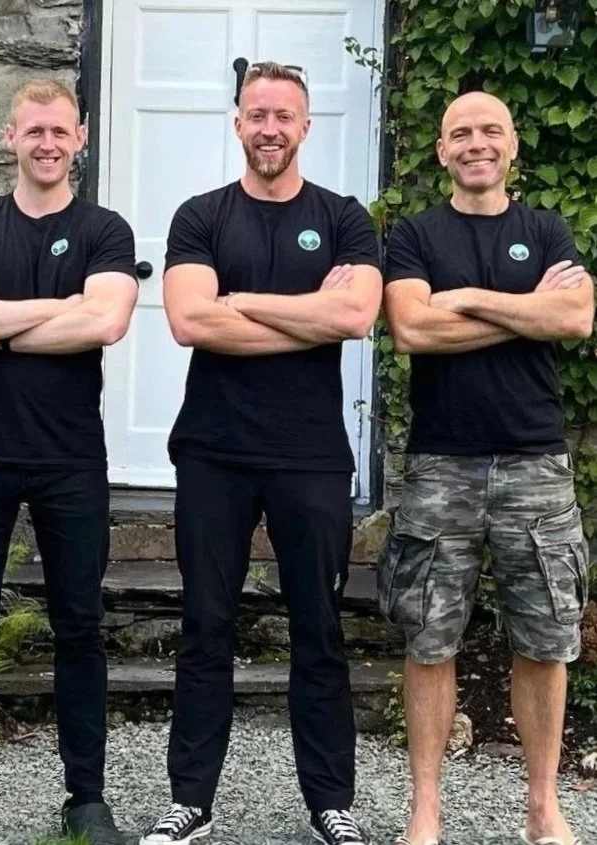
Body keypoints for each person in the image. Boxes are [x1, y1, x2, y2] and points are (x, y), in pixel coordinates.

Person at [141, 62, 382, 845]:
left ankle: (330, 804)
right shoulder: (201, 216)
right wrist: (303, 312)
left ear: (305, 126)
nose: (269, 128)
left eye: (283, 115)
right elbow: (189, 322)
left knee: (318, 626)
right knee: (206, 625)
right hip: (213, 451)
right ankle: (191, 801)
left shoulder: (344, 218)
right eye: (256, 114)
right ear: (237, 124)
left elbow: (354, 315)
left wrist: (239, 300)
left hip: (310, 453)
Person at [0, 79, 138, 845]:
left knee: (80, 623)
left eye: (60, 131)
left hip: (70, 457)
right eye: (34, 131)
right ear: (10, 137)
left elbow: (107, 319)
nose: (48, 143)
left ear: (79, 139)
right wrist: (58, 310)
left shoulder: (105, 230)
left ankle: (85, 797)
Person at [381, 90, 593, 845]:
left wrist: (466, 298)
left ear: (510, 146)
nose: (475, 143)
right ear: (441, 150)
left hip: (535, 462)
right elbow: (410, 326)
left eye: (490, 131)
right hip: (442, 461)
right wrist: (519, 310)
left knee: (543, 639)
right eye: (460, 133)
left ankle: (542, 807)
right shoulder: (412, 234)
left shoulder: (543, 227)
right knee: (429, 637)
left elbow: (572, 317)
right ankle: (426, 812)